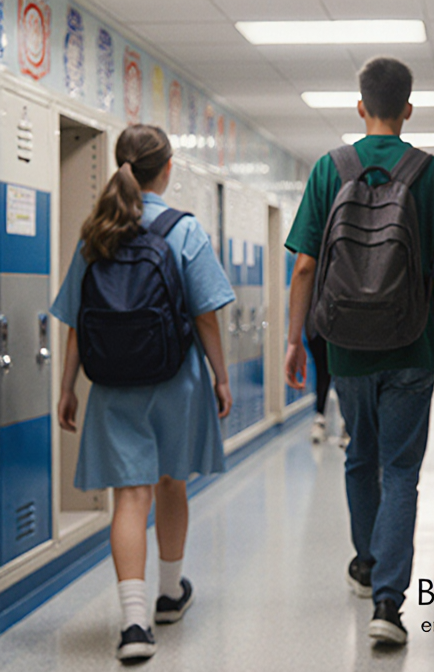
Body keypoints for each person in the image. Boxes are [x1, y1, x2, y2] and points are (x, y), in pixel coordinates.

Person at [284, 56, 434, 647]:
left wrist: (295, 341)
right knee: (400, 472)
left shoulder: (328, 169)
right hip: (412, 346)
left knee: (359, 458)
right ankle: (388, 605)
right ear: (409, 109)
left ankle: (366, 564)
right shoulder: (433, 174)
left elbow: (306, 266)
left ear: (360, 106)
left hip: (345, 348)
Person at [51, 124, 235, 662]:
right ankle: (169, 594)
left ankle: (133, 625)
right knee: (170, 482)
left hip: (112, 386)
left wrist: (67, 388)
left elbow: (75, 323)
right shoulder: (185, 231)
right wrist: (222, 377)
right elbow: (206, 316)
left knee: (129, 497)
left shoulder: (97, 232)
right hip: (175, 379)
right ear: (168, 169)